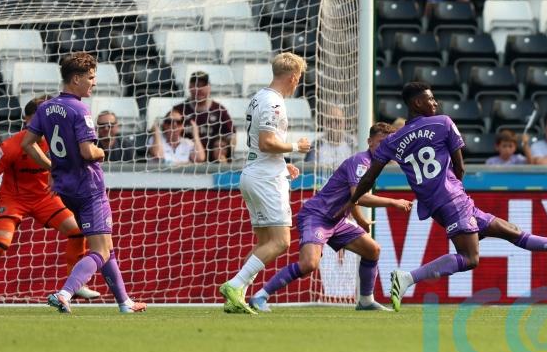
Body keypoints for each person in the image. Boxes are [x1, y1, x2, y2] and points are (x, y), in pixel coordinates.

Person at [335, 82, 547, 312]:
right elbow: (460, 167)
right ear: (417, 103)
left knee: (513, 232)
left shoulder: (393, 140)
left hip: (442, 204)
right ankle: (407, 278)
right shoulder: (443, 122)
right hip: (455, 198)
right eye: (430, 98)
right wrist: (455, 193)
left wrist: (352, 200)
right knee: (470, 258)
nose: (435, 102)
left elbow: (370, 177)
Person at [21, 53, 145, 313]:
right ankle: (65, 293)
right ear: (75, 79)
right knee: (100, 251)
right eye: (90, 78)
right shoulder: (80, 109)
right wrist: (102, 152)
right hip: (89, 187)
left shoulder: (45, 108)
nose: (94, 82)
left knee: (105, 247)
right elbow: (88, 152)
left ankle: (125, 302)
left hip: (65, 188)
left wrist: (52, 166)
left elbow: (27, 144)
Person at [248, 122, 412, 313]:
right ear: (369, 142)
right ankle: (260, 296)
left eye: (389, 143)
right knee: (309, 263)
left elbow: (353, 198)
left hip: (336, 220)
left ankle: (366, 300)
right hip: (317, 215)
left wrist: (359, 220)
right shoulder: (362, 162)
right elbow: (359, 195)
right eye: (381, 142)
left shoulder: (374, 165)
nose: (385, 146)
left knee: (372, 250)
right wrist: (393, 202)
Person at [0, 96, 99, 300]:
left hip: (44, 199)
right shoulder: (11, 146)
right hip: (13, 200)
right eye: (39, 117)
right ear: (27, 120)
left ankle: (75, 284)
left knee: (77, 231)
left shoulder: (57, 141)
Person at [219, 53, 311, 315]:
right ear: (293, 77)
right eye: (299, 79)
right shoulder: (274, 103)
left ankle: (236, 298)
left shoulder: (260, 96)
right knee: (281, 241)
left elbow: (264, 146)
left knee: (264, 243)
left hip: (256, 172)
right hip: (265, 180)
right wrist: (296, 146)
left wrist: (283, 163)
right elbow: (266, 142)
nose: (297, 84)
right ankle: (235, 285)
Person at [173, 71, 234, 162]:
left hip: (213, 164)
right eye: (196, 85)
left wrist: (226, 157)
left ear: (209, 88)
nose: (199, 89)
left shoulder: (219, 110)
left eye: (202, 85)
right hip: (186, 163)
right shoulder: (179, 110)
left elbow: (231, 137)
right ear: (190, 87)